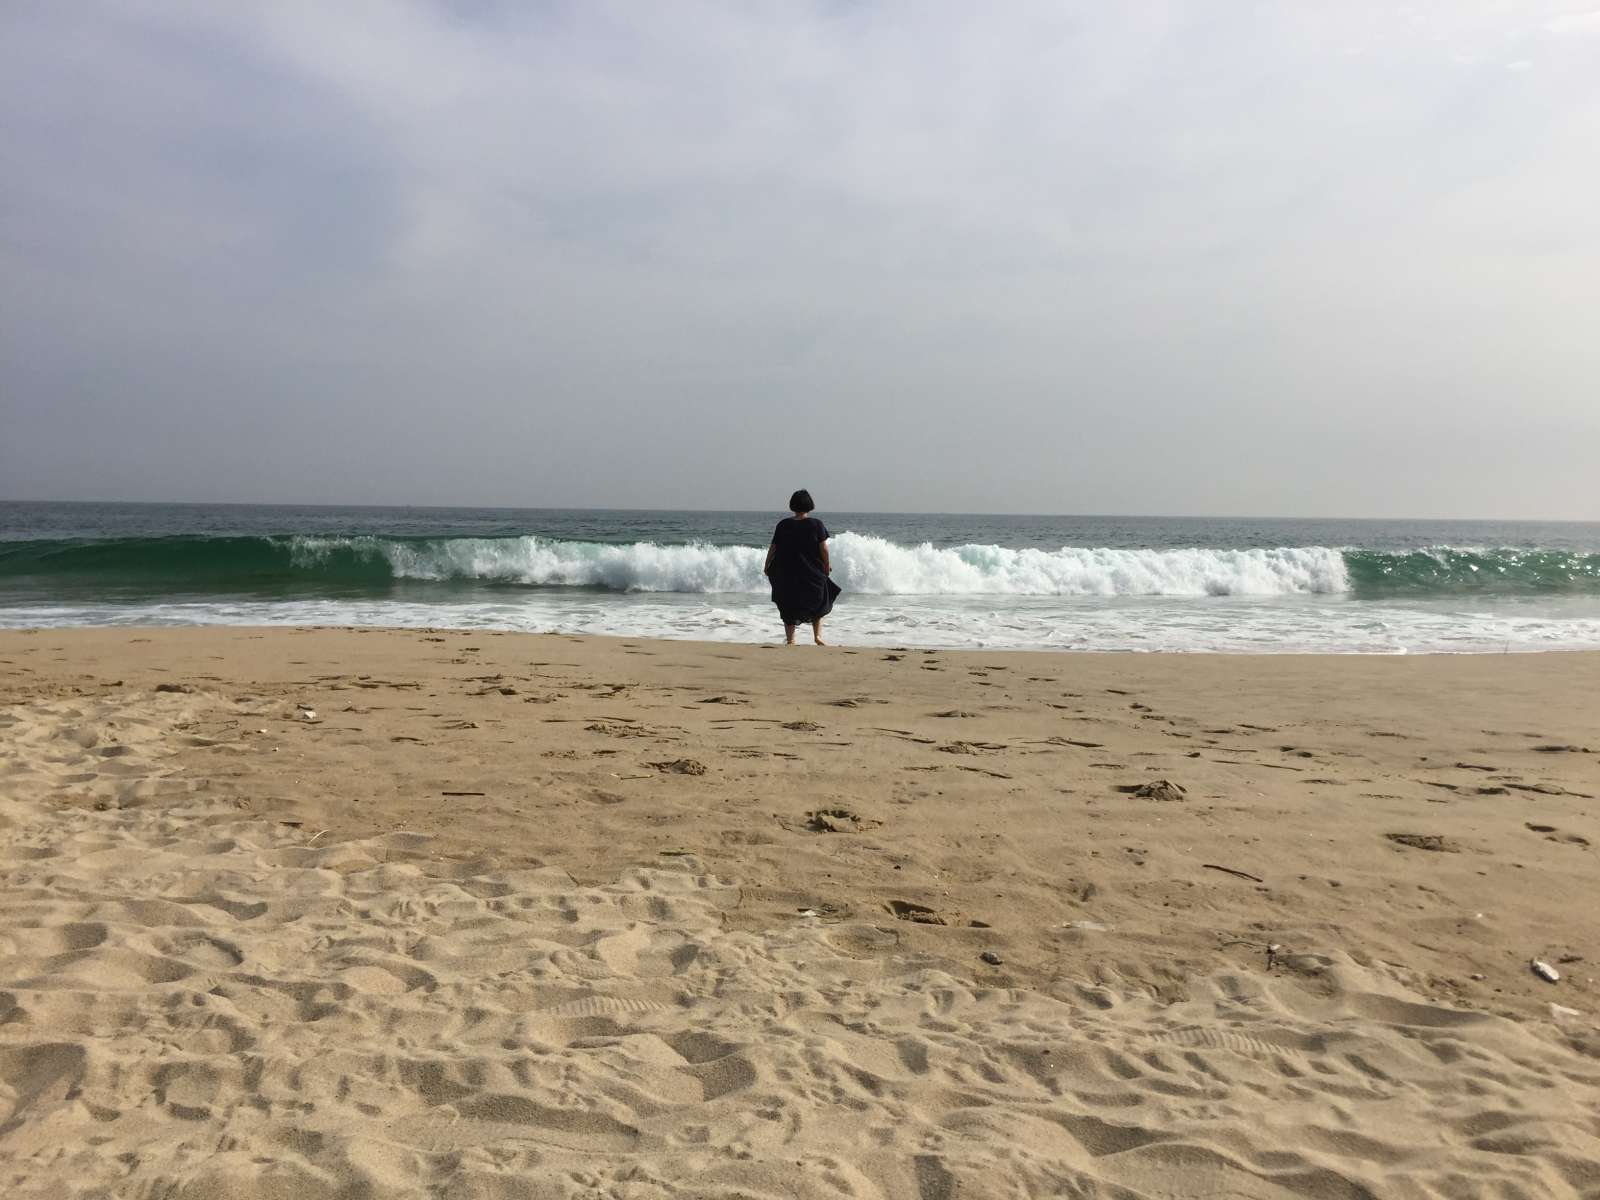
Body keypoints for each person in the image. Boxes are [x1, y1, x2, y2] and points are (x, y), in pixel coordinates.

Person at [763, 489, 841, 645]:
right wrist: (827, 565)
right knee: (819, 601)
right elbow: (823, 549)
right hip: (812, 571)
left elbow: (774, 547)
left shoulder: (783, 524)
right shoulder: (816, 524)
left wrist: (767, 564)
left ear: (792, 505)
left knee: (788, 603)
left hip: (786, 571)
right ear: (809, 505)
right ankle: (817, 636)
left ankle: (791, 639)